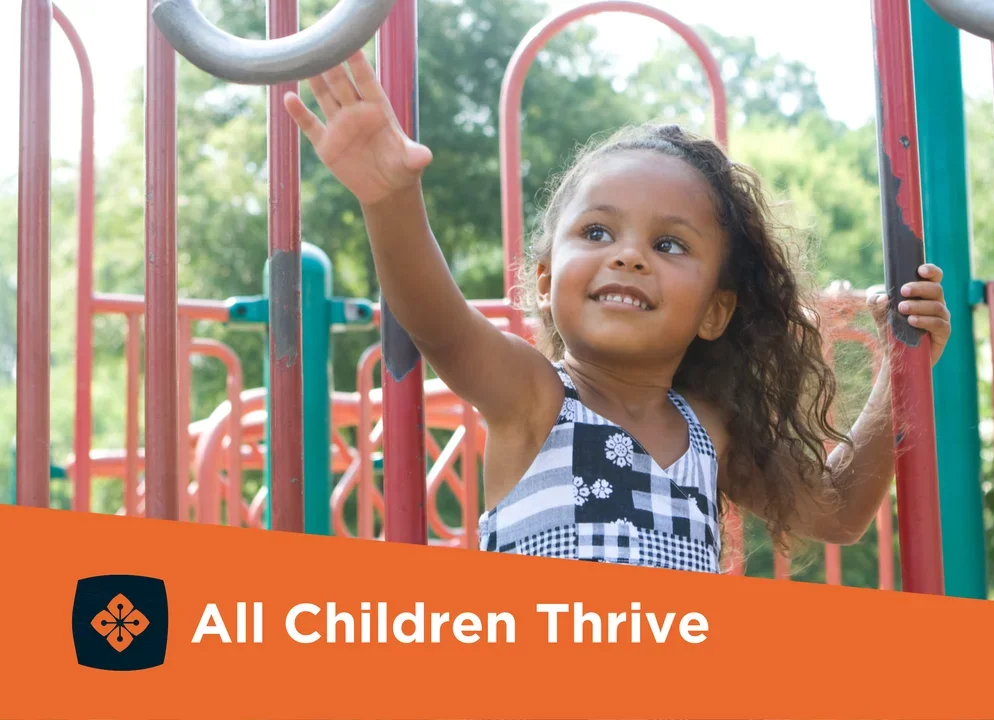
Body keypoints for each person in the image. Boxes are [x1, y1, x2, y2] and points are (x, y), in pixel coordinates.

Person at [284, 51, 952, 573]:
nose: (629, 257)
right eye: (598, 233)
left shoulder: (707, 434)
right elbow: (440, 326)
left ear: (716, 312)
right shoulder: (536, 399)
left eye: (668, 245)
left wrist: (906, 370)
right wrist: (390, 199)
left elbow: (836, 512)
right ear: (545, 281)